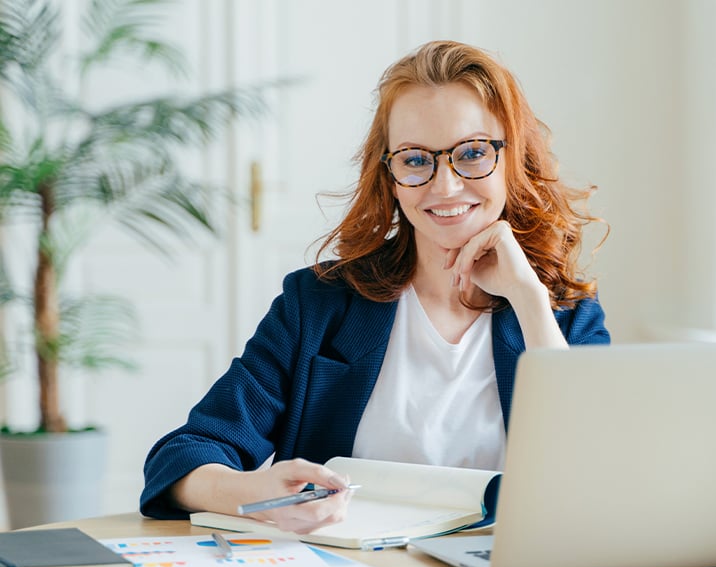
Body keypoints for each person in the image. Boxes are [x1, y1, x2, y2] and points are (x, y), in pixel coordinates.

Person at [140, 40, 610, 534]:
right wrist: (250, 493)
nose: (445, 186)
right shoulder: (317, 305)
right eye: (414, 160)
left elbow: (604, 468)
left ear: (513, 159)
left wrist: (530, 299)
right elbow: (180, 458)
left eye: (472, 153)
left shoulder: (563, 312)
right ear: (387, 174)